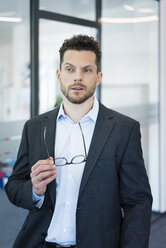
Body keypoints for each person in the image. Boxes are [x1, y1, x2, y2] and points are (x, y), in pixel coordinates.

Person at [5, 34, 152, 248]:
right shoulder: (35, 127)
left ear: (98, 77)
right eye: (70, 69)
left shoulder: (124, 129)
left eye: (87, 70)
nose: (78, 77)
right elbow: (14, 187)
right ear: (59, 74)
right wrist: (35, 190)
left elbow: (137, 202)